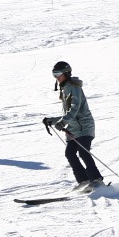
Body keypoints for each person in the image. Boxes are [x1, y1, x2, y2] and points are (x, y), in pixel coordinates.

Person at [43, 60, 103, 189]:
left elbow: (74, 109)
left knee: (83, 152)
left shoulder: (74, 88)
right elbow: (68, 114)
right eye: (54, 74)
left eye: (58, 73)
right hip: (73, 129)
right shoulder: (65, 89)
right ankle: (84, 181)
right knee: (70, 153)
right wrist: (52, 121)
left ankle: (97, 180)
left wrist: (63, 122)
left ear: (67, 73)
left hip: (84, 127)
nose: (56, 77)